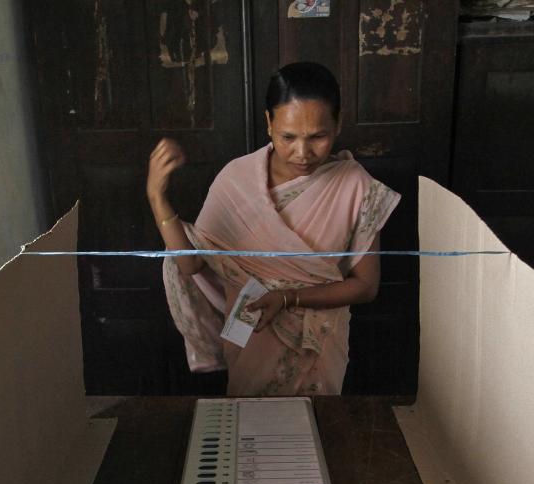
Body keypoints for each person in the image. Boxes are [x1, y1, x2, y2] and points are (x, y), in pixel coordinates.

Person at [146, 61, 399, 396]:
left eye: (318, 137)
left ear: (338, 124)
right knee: (249, 433)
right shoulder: (236, 179)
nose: (303, 152)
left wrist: (287, 298)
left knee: (311, 431)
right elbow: (191, 263)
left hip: (318, 345)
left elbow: (366, 286)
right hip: (251, 332)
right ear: (269, 123)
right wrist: (157, 197)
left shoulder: (356, 186)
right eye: (288, 137)